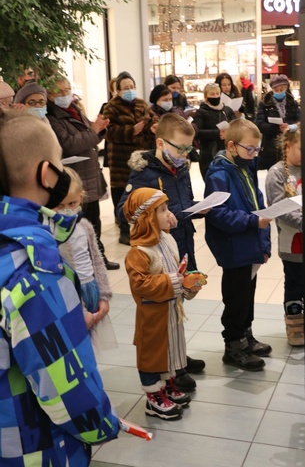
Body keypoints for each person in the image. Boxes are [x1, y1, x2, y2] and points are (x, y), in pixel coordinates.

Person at [0, 111, 119, 466]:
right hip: (32, 449)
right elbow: (67, 389)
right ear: (47, 173)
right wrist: (103, 423)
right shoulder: (35, 268)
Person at [117, 113, 207, 391]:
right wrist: (174, 214)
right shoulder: (144, 172)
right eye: (179, 148)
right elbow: (125, 212)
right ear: (160, 142)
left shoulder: (179, 168)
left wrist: (196, 208)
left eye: (188, 149)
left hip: (180, 243)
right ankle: (171, 368)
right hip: (157, 251)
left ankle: (178, 355)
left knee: (177, 306)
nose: (184, 154)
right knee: (163, 308)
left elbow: (183, 201)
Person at [123, 187, 205, 420]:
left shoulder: (166, 239)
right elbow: (140, 284)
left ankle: (167, 385)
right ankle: (153, 396)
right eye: (162, 210)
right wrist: (175, 281)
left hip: (171, 310)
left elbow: (176, 268)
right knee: (152, 355)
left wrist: (188, 283)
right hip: (153, 315)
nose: (169, 214)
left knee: (169, 351)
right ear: (147, 217)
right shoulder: (139, 252)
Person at [204, 119, 272, 371]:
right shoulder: (219, 173)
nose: (254, 154)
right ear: (231, 145)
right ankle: (233, 346)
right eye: (250, 149)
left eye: (257, 149)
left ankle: (246, 336)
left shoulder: (246, 165)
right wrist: (253, 221)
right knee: (235, 298)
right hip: (234, 247)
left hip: (250, 243)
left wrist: (264, 243)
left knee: (248, 294)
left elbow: (257, 201)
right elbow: (218, 214)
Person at [46, 74, 120, 270]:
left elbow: (89, 135)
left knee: (94, 220)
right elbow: (70, 144)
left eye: (67, 90)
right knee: (80, 221)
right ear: (50, 95)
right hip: (75, 176)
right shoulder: (52, 117)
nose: (64, 94)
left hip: (90, 172)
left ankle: (99, 258)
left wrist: (99, 128)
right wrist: (94, 131)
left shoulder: (74, 110)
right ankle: (86, 261)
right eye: (59, 91)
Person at [55, 166, 113, 331]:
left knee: (92, 342)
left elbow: (97, 260)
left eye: (72, 203)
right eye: (60, 205)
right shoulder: (50, 232)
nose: (67, 210)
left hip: (91, 289)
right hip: (70, 295)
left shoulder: (85, 226)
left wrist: (103, 295)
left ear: (81, 197)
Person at [103, 72, 154, 246]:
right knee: (122, 194)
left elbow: (151, 121)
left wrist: (152, 128)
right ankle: (124, 230)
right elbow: (108, 131)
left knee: (142, 193)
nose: (130, 90)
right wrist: (131, 130)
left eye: (132, 87)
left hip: (141, 157)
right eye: (126, 88)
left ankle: (143, 227)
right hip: (121, 159)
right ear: (117, 91)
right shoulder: (111, 107)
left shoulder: (142, 104)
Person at [265, 123, 304, 346]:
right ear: (288, 146)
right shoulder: (277, 173)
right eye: (301, 149)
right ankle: (295, 326)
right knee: (295, 285)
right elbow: (279, 209)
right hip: (292, 245)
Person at [256, 74, 300, 170]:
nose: (279, 92)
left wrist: (290, 127)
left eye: (282, 89)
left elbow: (300, 121)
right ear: (272, 89)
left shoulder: (292, 103)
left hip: (289, 143)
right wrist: (276, 128)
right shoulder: (264, 103)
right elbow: (259, 124)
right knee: (273, 173)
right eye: (276, 90)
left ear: (286, 88)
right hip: (270, 146)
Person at [193, 82, 236, 180]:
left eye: (217, 93)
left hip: (228, 152)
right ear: (205, 97)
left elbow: (236, 125)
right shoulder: (201, 112)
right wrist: (217, 134)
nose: (215, 96)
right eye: (212, 94)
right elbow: (197, 132)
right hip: (209, 154)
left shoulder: (227, 110)